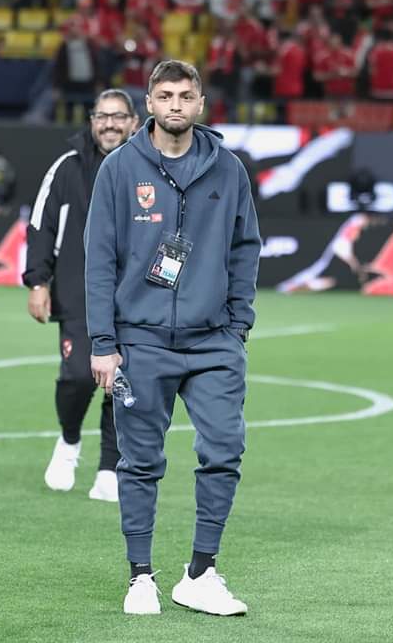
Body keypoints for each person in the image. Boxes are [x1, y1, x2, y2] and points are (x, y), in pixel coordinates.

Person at [84, 61, 260, 616]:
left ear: (201, 103)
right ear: (150, 103)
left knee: (225, 450)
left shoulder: (229, 168)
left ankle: (201, 573)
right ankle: (140, 576)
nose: (176, 105)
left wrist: (239, 323)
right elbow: (99, 260)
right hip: (140, 341)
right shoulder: (118, 168)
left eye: (186, 95)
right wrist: (102, 341)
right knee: (139, 462)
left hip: (214, 342)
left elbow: (246, 247)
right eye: (165, 96)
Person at [23, 89, 139, 502]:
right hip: (79, 294)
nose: (110, 124)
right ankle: (69, 440)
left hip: (136, 298)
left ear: (134, 122)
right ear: (92, 121)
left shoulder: (151, 166)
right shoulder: (68, 167)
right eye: (102, 116)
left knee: (124, 384)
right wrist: (38, 282)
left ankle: (109, 468)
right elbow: (41, 225)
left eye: (118, 116)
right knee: (77, 377)